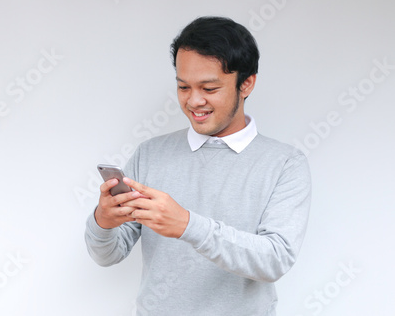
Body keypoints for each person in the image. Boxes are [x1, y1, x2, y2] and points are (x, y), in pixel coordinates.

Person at [85, 16, 311, 315]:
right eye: (183, 87)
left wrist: (187, 225)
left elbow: (275, 259)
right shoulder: (151, 153)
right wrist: (103, 221)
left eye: (209, 88)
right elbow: (108, 255)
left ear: (247, 83)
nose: (193, 101)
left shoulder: (284, 164)